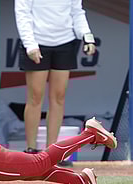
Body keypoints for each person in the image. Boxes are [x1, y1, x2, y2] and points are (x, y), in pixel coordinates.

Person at [14, 0, 96, 161]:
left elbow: (77, 12)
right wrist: (30, 45)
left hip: (65, 43)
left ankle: (52, 153)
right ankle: (31, 151)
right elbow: (22, 14)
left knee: (58, 98)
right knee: (35, 97)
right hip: (36, 43)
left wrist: (87, 36)